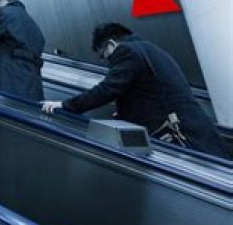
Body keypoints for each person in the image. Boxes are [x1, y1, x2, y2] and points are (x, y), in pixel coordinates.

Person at [42, 23, 230, 159]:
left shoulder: (126, 51)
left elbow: (107, 89)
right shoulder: (150, 49)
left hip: (182, 137)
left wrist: (65, 105)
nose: (106, 62)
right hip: (198, 132)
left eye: (103, 56)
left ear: (111, 44)